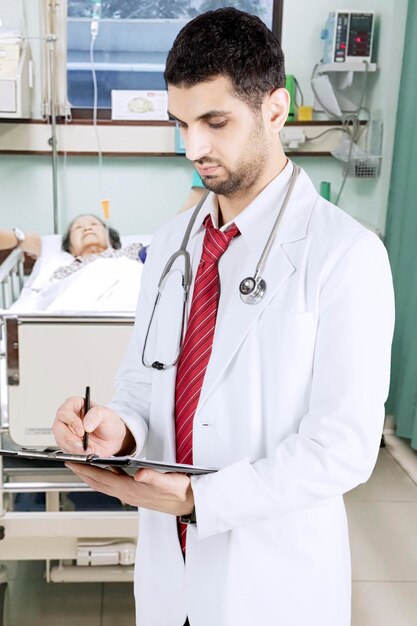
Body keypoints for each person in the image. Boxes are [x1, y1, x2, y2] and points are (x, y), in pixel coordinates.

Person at [52, 8, 394, 626]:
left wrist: (199, 497)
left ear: (274, 109)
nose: (194, 148)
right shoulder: (174, 242)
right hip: (170, 573)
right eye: (181, 123)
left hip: (272, 583)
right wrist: (118, 428)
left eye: (215, 122)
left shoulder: (347, 255)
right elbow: (142, 381)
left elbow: (342, 449)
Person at [0, 214, 147, 312]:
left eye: (94, 224)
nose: (87, 228)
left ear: (110, 236)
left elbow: (164, 255)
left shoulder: (132, 253)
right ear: (69, 246)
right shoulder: (62, 273)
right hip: (75, 319)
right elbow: (45, 302)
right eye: (78, 227)